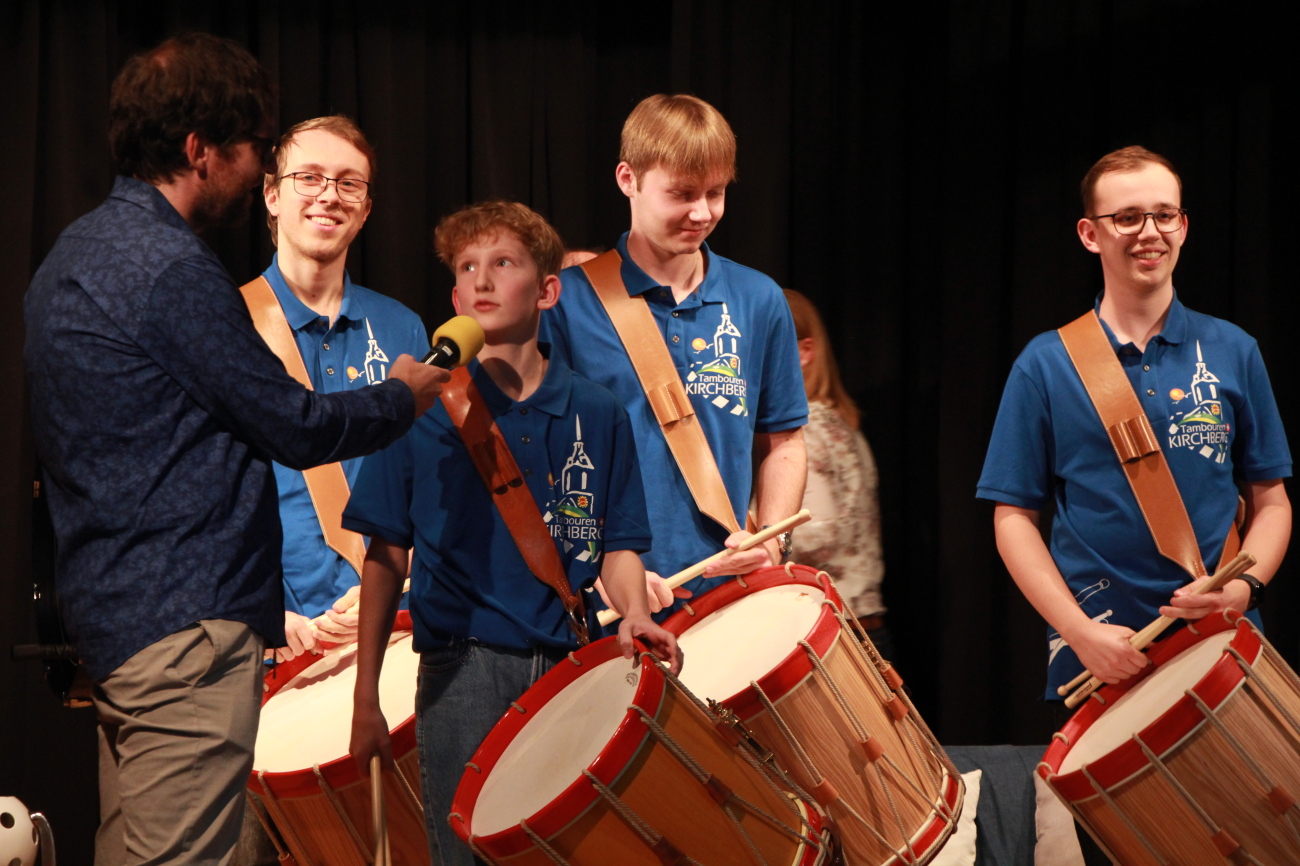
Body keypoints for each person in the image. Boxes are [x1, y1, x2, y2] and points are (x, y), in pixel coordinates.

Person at [23, 34, 447, 866]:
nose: (258, 170)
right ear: (199, 151)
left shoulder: (73, 254)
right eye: (255, 150)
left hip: (116, 622)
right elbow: (293, 425)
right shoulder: (171, 270)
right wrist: (406, 394)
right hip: (184, 632)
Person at [345, 201, 680, 866]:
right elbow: (385, 557)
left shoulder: (598, 411)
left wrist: (635, 613)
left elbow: (614, 545)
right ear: (454, 297)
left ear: (548, 290)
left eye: (503, 263)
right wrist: (364, 697)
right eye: (468, 268)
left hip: (567, 667)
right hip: (461, 671)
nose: (482, 281)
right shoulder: (418, 408)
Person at [977, 146, 1291, 710]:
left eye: (1164, 214)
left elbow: (1271, 502)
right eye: (1127, 217)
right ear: (1090, 234)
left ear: (1183, 225)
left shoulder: (1234, 349)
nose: (1150, 232)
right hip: (1101, 649)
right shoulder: (1044, 364)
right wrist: (1077, 631)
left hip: (1221, 637)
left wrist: (1244, 590)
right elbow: (1013, 518)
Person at [540, 94, 808, 605]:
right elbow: (533, 454)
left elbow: (785, 442)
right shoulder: (562, 302)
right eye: (682, 194)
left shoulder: (759, 299)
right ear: (628, 180)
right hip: (607, 602)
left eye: (716, 192)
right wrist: (596, 565)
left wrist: (772, 540)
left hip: (728, 596)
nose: (702, 212)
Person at [256, 116, 429, 660]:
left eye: (348, 182)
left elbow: (427, 486)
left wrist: (397, 591)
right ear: (272, 194)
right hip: (276, 645)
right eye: (308, 177)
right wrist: (258, 614)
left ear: (366, 207)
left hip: (394, 632)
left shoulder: (404, 329)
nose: (328, 196)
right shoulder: (225, 324)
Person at [783, 289, 891, 660]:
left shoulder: (807, 430)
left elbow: (820, 535)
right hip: (857, 625)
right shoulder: (840, 423)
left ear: (804, 352)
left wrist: (745, 541)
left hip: (834, 633)